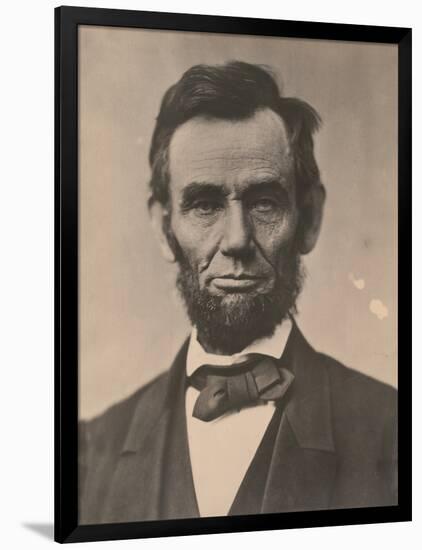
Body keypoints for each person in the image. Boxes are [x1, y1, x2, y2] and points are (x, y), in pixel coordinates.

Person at [78, 61, 397, 524]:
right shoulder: (92, 454)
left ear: (309, 220)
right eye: (204, 205)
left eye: (264, 202)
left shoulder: (395, 432)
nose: (237, 240)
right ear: (162, 226)